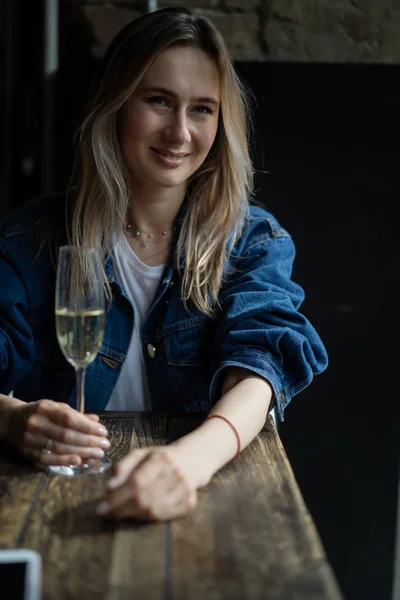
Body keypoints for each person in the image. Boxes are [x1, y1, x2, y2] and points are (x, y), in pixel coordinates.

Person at [0, 7, 328, 520]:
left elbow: (260, 369)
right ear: (116, 104)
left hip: (202, 494)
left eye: (202, 109)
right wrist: (12, 418)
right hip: (50, 498)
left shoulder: (252, 239)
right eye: (158, 100)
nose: (180, 132)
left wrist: (188, 463)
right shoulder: (32, 236)